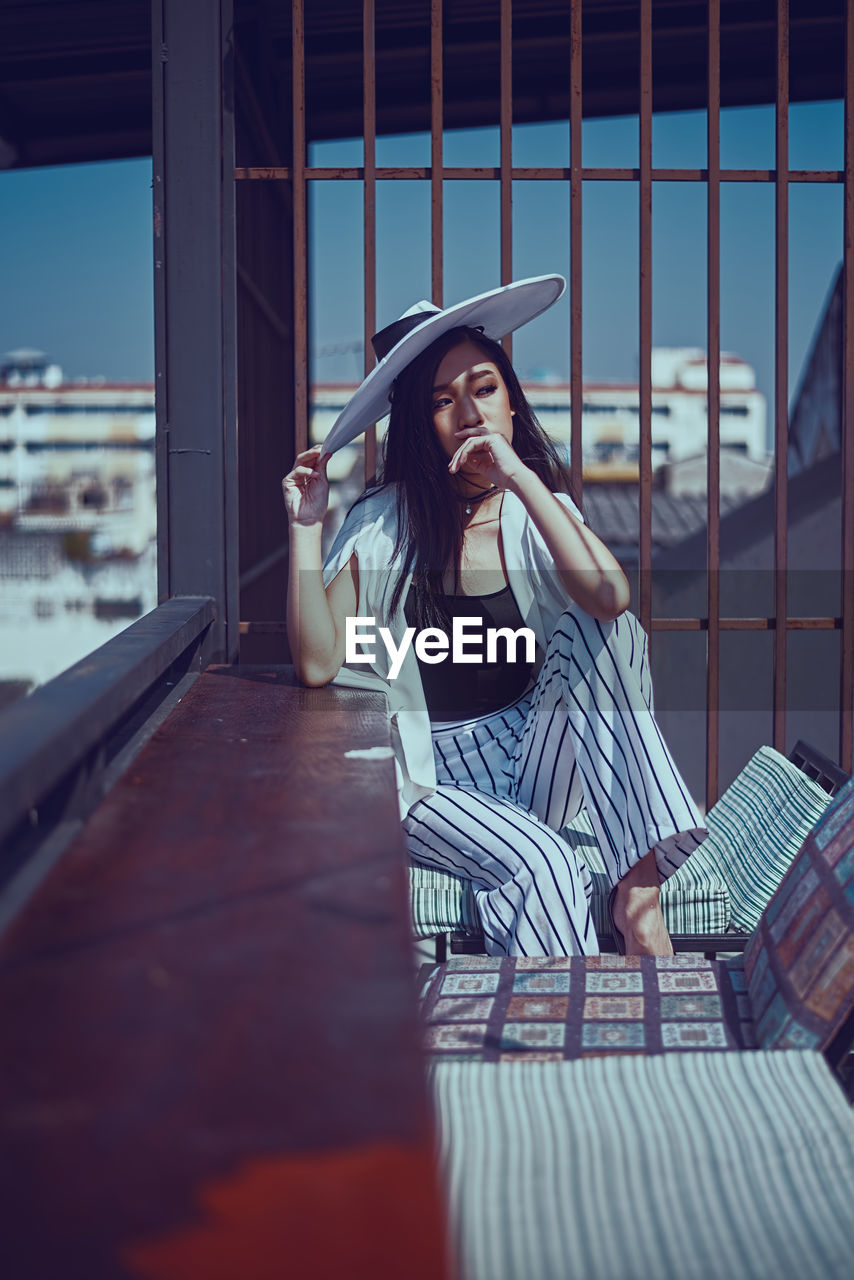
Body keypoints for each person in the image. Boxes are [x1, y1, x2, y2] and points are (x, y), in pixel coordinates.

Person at [283, 275, 707, 957]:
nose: (470, 414)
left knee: (603, 631)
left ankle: (639, 891)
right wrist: (307, 528)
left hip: (527, 758)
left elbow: (611, 599)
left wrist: (521, 478)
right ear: (421, 427)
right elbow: (315, 664)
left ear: (510, 401)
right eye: (442, 402)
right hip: (426, 781)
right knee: (543, 862)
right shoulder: (377, 524)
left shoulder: (535, 510)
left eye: (483, 389)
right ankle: (561, 1040)